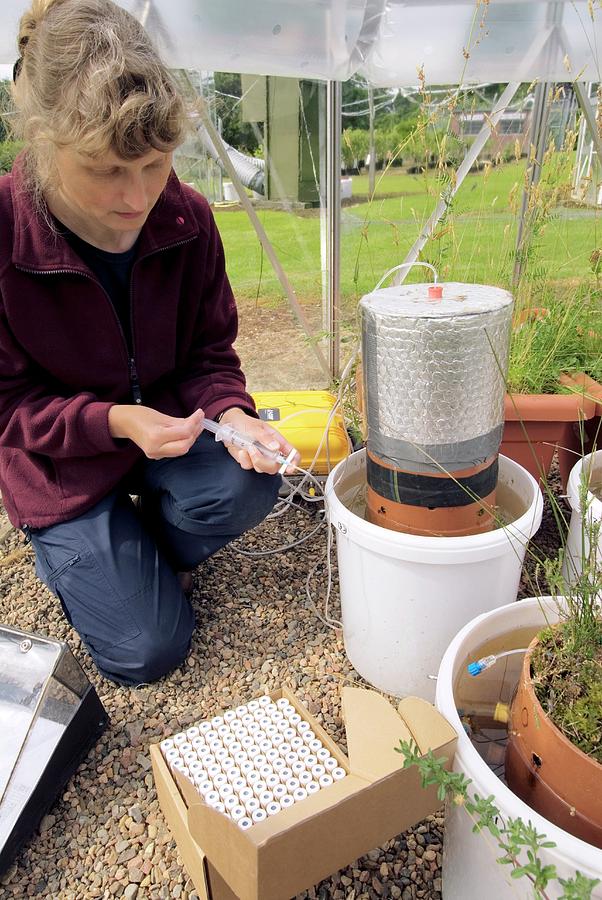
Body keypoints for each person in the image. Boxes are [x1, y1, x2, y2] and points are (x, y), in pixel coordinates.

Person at [0, 0, 297, 686]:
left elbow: (208, 353)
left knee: (251, 486)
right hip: (61, 463)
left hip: (168, 425)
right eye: (106, 170)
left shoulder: (187, 217)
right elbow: (7, 406)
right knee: (145, 653)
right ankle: (88, 550)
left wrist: (232, 413)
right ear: (45, 141)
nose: (137, 198)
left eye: (156, 164)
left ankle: (142, 553)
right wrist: (112, 421)